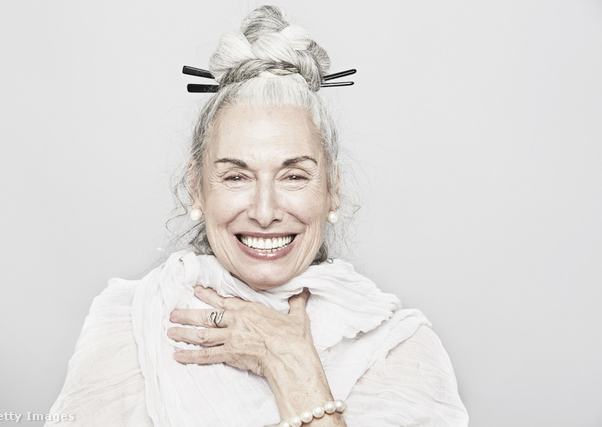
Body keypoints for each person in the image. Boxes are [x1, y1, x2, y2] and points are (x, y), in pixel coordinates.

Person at [46, 5, 469, 427]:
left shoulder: (399, 348)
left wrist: (290, 363)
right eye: (236, 176)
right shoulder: (130, 327)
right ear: (197, 188)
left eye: (293, 176)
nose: (265, 212)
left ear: (332, 190)